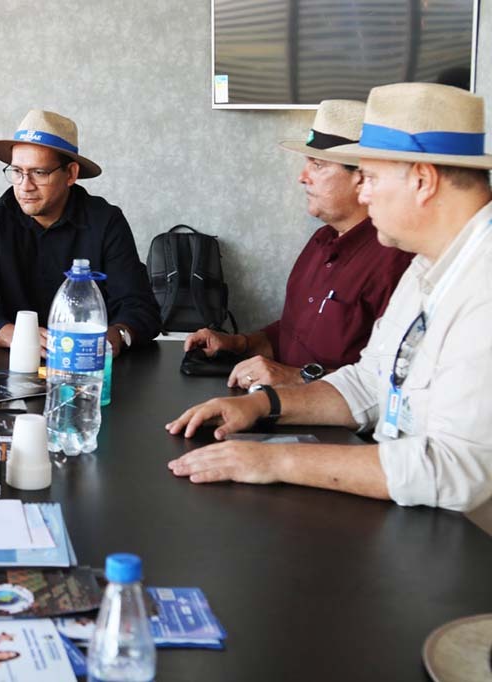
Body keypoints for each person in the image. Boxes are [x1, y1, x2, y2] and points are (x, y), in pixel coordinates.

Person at [166, 83, 492, 513]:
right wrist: (262, 404)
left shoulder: (482, 284)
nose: (365, 192)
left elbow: (453, 471)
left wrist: (276, 458)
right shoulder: (427, 262)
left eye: (371, 177)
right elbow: (369, 380)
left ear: (422, 180)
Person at [185, 100, 412, 388]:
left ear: (362, 178)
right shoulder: (320, 241)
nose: (302, 176)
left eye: (317, 164)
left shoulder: (395, 261)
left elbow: (391, 383)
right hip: (281, 405)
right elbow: (292, 334)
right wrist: (239, 343)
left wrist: (297, 377)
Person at [0, 110, 160, 356]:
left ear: (71, 174)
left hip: (88, 362)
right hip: (10, 365)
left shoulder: (106, 221)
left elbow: (142, 309)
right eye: (17, 171)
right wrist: (13, 335)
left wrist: (119, 334)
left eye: (39, 173)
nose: (25, 186)